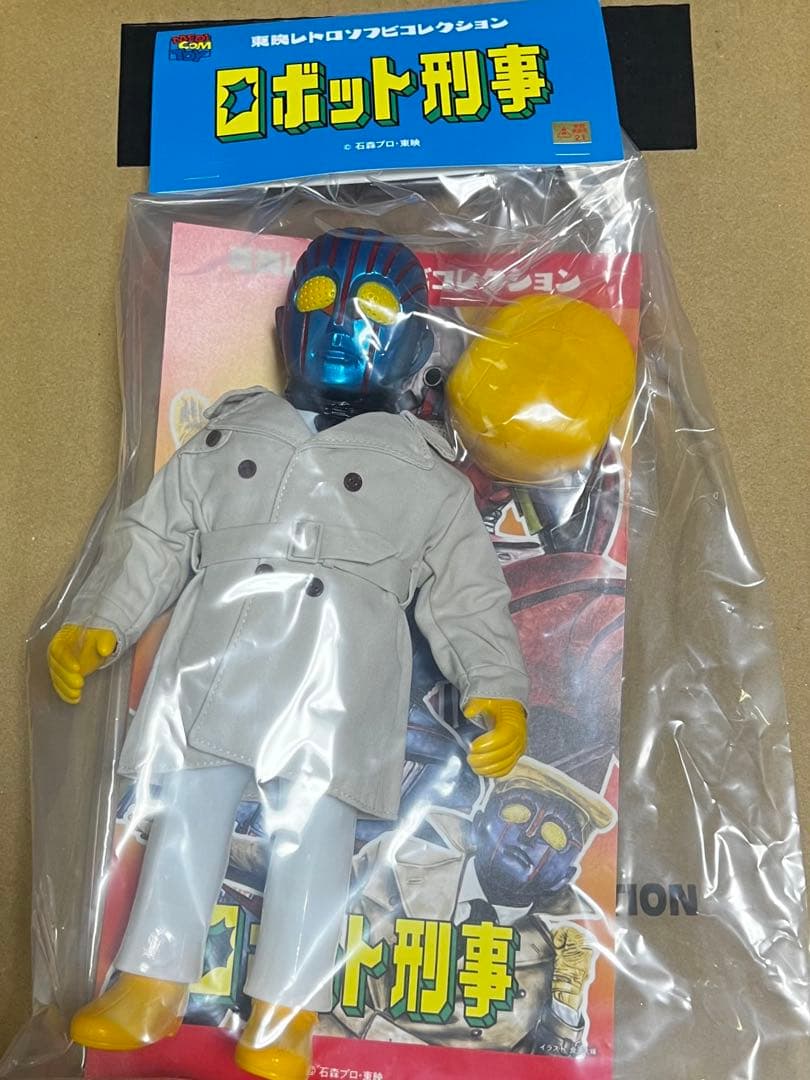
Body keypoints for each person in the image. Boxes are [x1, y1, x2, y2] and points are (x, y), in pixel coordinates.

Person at [46, 229, 529, 1080]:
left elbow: (466, 593)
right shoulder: (230, 433)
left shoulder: (427, 474)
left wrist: (493, 686)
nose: (340, 324)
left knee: (316, 834)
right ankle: (150, 981)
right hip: (218, 656)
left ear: (416, 340)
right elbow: (155, 537)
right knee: (188, 811)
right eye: (317, 300)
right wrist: (102, 619)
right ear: (284, 324)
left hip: (340, 677)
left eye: (372, 307)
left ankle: (284, 1011)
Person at [327, 757, 614, 1054]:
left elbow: (543, 1066)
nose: (528, 836)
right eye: (517, 812)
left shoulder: (549, 964)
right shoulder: (390, 861)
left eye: (554, 836)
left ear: (564, 878)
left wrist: (565, 1007)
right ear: (479, 822)